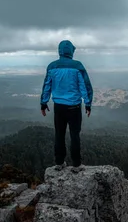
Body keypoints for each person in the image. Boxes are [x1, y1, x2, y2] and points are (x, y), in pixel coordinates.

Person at [40, 40, 93, 173]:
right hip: (74, 108)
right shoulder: (77, 66)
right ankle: (76, 164)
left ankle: (59, 162)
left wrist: (43, 102)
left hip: (59, 107)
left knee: (59, 134)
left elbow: (47, 85)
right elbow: (84, 86)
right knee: (75, 135)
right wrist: (88, 103)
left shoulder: (52, 66)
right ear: (71, 51)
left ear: (60, 51)